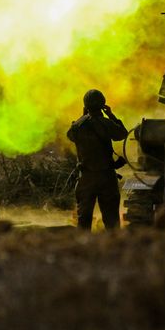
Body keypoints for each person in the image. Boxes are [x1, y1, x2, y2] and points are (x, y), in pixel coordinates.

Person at [66, 89, 128, 230]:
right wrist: (111, 115)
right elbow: (122, 133)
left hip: (86, 177)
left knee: (84, 221)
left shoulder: (77, 126)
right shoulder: (106, 123)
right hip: (106, 177)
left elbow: (70, 135)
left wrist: (83, 116)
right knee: (111, 221)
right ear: (103, 105)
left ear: (85, 106)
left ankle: (83, 248)